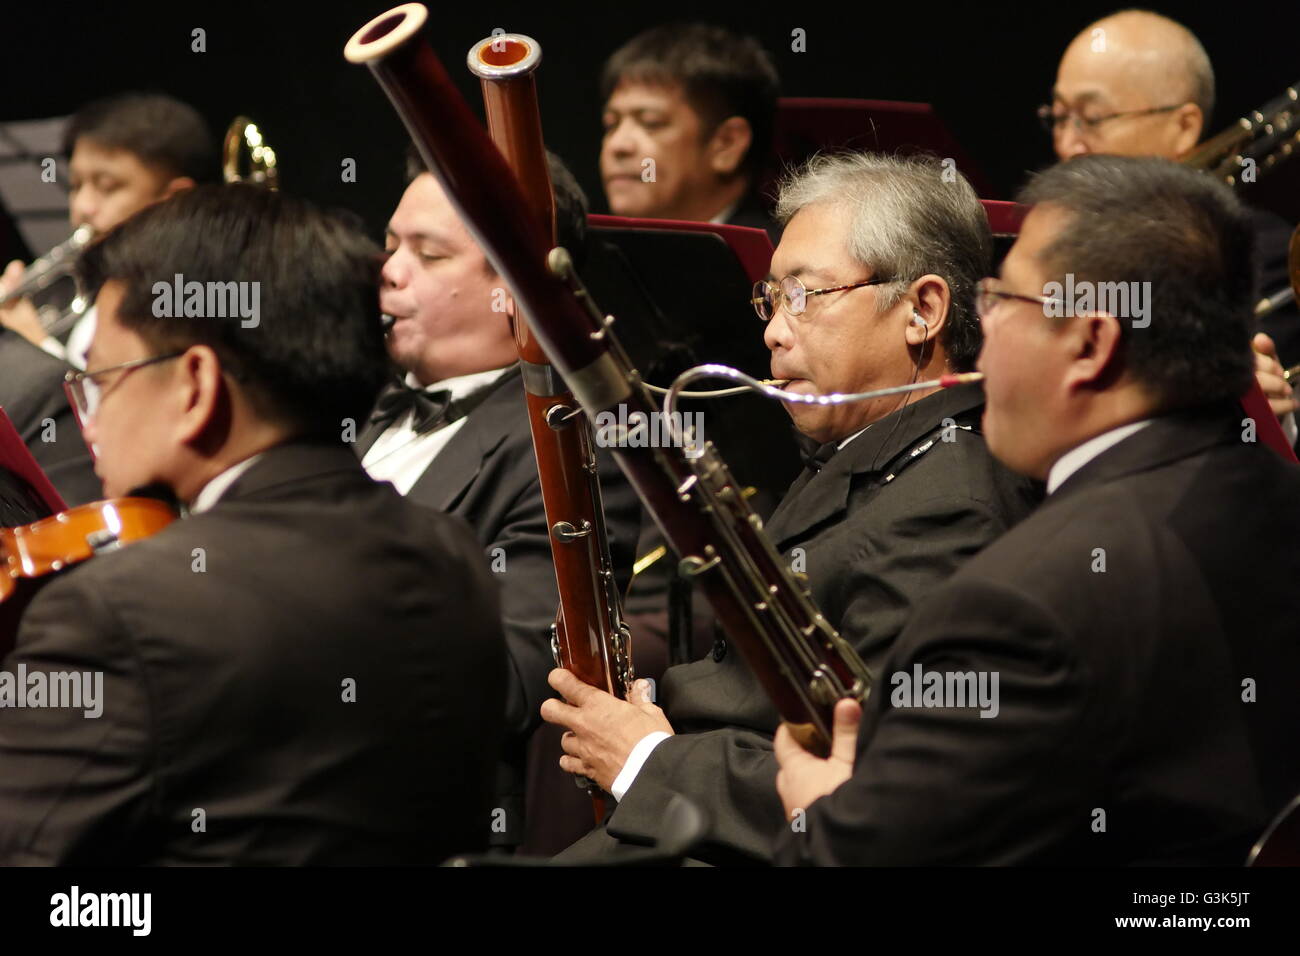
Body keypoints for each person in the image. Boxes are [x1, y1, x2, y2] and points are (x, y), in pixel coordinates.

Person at [773, 155, 1300, 865]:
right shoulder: (1280, 494)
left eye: (1000, 304)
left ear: (1089, 344)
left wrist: (821, 807)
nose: (978, 336)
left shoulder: (1019, 609)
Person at [545, 153, 1040, 864]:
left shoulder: (948, 507)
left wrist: (647, 758)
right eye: (770, 300)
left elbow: (877, 786)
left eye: (806, 296)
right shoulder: (872, 451)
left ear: (923, 311)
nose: (774, 331)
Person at [0, 184, 506, 865]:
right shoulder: (453, 557)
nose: (89, 421)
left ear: (196, 386)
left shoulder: (118, 610)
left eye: (100, 379)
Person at [359, 150, 641, 850]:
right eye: (391, 245)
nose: (389, 269)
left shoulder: (571, 448)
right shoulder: (357, 396)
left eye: (427, 253)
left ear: (514, 293)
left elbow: (504, 678)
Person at [1042, 9, 1300, 430]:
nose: (1068, 144)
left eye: (1092, 118)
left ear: (1183, 127)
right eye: (1058, 118)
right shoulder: (1048, 245)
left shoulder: (1257, 252)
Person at [0, 93, 216, 504]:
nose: (82, 207)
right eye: (77, 184)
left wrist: (34, 354)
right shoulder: (88, 310)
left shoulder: (195, 305)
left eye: (108, 186)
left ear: (175, 199)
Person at [599, 23, 781, 241]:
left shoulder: (776, 264)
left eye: (651, 122)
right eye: (611, 124)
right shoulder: (591, 256)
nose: (617, 145)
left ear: (727, 144)